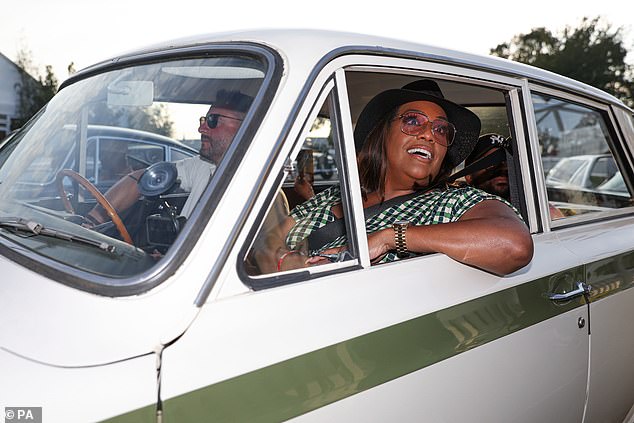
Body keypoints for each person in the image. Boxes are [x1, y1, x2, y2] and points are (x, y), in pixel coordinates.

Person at [265, 80, 533, 276]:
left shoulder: (453, 202)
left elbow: (514, 246)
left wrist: (389, 237)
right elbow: (267, 242)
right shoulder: (335, 195)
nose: (429, 134)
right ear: (383, 135)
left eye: (441, 129)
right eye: (413, 121)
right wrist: (287, 261)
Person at [86, 89, 253, 225]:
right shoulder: (203, 166)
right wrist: (94, 219)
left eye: (212, 120)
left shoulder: (254, 185)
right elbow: (142, 179)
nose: (201, 129)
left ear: (244, 125)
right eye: (203, 120)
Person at [465, 133, 565, 220]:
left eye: (507, 164)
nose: (501, 170)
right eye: (490, 164)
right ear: (468, 176)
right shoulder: (459, 212)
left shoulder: (540, 212)